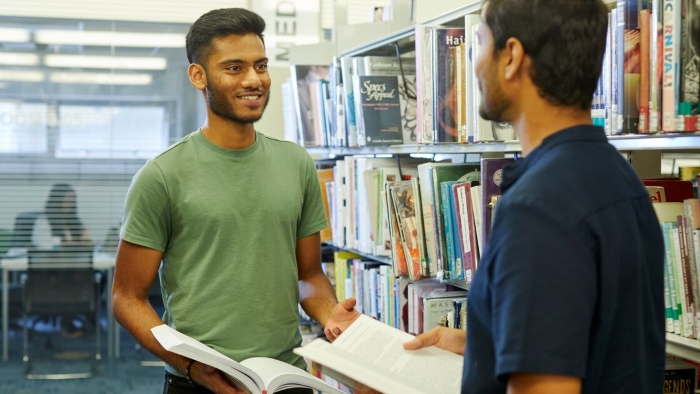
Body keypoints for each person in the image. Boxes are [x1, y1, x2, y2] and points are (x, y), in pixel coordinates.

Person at [404, 1, 666, 393]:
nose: (475, 66)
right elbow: (602, 345)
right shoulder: (620, 179)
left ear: (511, 56)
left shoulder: (539, 207)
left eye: (479, 44)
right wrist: (485, 349)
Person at [111, 8, 360, 394]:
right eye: (234, 68)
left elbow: (308, 276)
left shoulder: (296, 163)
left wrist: (331, 315)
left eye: (260, 65)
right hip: (198, 381)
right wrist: (191, 366)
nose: (254, 80)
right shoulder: (161, 175)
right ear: (199, 76)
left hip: (287, 378)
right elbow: (126, 298)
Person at [32, 183, 94, 338]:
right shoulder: (44, 220)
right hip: (51, 272)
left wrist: (85, 239)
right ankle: (68, 320)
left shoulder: (74, 221)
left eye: (72, 200)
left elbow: (85, 242)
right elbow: (43, 243)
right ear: (56, 200)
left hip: (72, 269)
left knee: (99, 277)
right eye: (66, 200)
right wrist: (67, 243)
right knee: (72, 280)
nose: (69, 204)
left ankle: (82, 316)